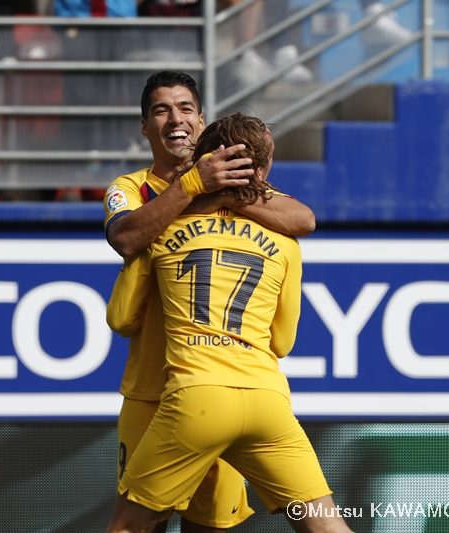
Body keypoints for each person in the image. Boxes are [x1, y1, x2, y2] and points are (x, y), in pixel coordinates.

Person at [106, 113, 354, 533]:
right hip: (266, 400)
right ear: (262, 169)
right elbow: (283, 340)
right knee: (325, 525)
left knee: (130, 526)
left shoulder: (162, 230)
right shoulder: (285, 242)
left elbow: (122, 317)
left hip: (196, 398)